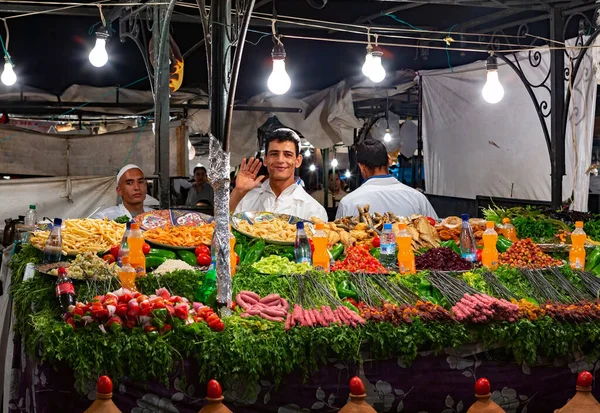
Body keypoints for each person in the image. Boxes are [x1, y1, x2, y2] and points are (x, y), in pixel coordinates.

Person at [229, 128, 328, 222]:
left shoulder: (314, 210)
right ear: (265, 159)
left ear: (298, 161)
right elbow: (219, 227)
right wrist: (238, 191)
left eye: (288, 154)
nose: (280, 160)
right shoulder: (246, 199)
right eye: (274, 154)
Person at [335, 139, 438, 219]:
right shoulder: (417, 198)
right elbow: (436, 233)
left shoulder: (348, 203)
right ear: (389, 160)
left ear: (361, 166)